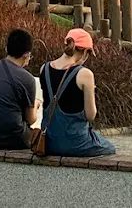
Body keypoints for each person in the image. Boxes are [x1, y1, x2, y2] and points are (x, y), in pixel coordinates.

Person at [39, 28, 115, 158]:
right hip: (76, 143)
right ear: (85, 51)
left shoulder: (44, 69)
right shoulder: (85, 74)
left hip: (48, 142)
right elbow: (91, 115)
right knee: (110, 148)